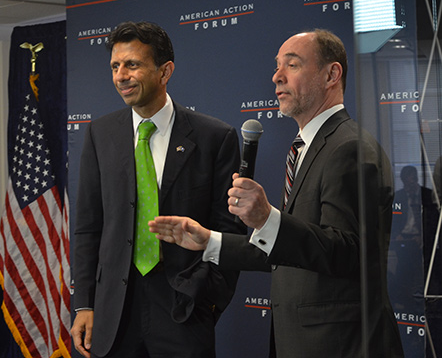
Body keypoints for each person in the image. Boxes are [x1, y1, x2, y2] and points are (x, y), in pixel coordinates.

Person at [150, 29, 404, 357]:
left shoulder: (349, 148)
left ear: (331, 74)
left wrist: (268, 219)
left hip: (342, 345)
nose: (277, 77)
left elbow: (350, 253)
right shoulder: (307, 148)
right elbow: (291, 249)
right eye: (277, 66)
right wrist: (210, 241)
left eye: (292, 65)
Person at [71, 21, 245, 358]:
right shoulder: (100, 134)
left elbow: (229, 229)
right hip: (114, 312)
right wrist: (84, 304)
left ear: (165, 72)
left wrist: (208, 298)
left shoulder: (214, 137)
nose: (121, 75)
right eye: (115, 66)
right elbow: (88, 226)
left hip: (183, 307)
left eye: (132, 65)